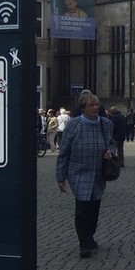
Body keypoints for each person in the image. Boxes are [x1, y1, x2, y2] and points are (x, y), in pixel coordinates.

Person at [56, 91, 117, 258]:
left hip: (98, 173)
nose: (95, 108)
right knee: (82, 208)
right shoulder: (73, 125)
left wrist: (110, 153)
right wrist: (61, 177)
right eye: (92, 105)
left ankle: (89, 236)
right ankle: (84, 243)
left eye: (97, 105)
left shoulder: (105, 124)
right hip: (78, 173)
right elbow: (64, 152)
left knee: (93, 208)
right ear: (83, 107)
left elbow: (112, 144)